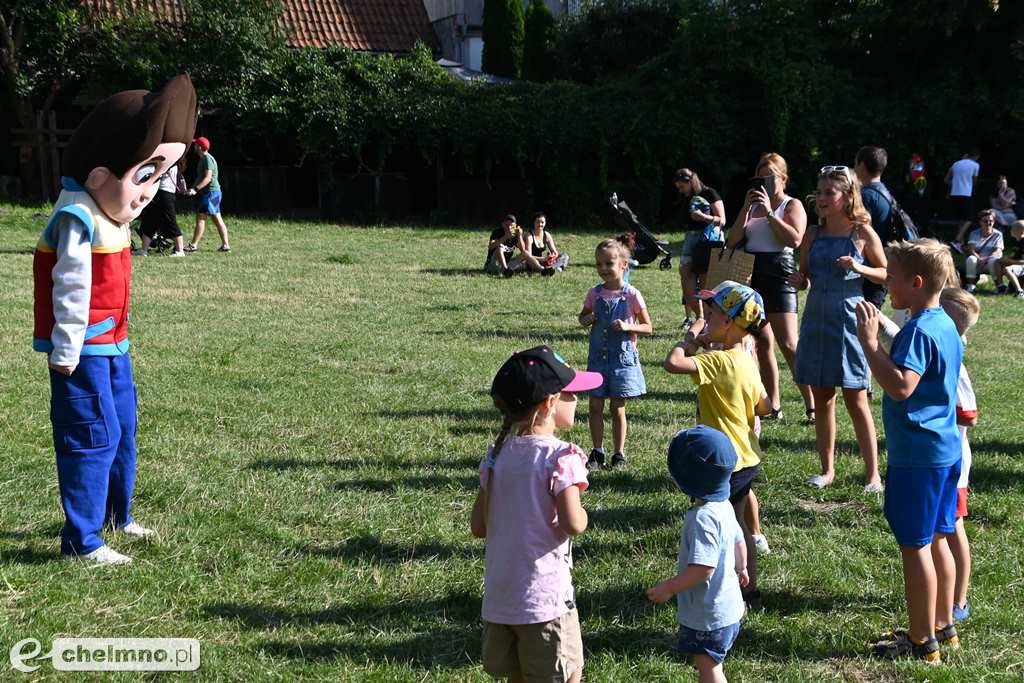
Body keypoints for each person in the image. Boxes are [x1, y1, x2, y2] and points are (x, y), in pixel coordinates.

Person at [32, 74, 197, 564]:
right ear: (100, 175)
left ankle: (115, 516)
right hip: (82, 351)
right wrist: (65, 348)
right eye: (143, 175)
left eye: (159, 175)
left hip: (114, 345)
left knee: (122, 429)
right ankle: (81, 541)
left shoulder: (111, 216)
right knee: (89, 436)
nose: (149, 192)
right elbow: (71, 288)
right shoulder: (77, 218)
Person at [856, 239, 963, 663]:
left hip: (917, 458)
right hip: (944, 451)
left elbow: (901, 387)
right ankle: (943, 626)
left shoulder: (918, 331)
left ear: (915, 283)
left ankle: (922, 642)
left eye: (892, 277)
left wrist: (869, 345)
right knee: (938, 538)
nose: (886, 281)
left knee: (916, 544)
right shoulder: (942, 322)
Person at [470, 345, 602, 683]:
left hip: (501, 600)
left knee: (518, 675)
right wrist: (583, 516)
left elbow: (479, 526)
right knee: (570, 672)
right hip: (545, 600)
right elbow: (573, 523)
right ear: (549, 403)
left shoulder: (496, 456)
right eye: (571, 394)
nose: (578, 400)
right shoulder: (561, 458)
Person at [663, 281, 772, 609]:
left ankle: (713, 577)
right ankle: (748, 584)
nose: (706, 319)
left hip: (720, 461)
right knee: (738, 523)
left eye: (711, 314)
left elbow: (673, 364)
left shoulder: (720, 361)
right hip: (745, 457)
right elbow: (764, 407)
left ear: (729, 321)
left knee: (717, 522)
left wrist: (689, 342)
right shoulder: (745, 361)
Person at [791, 166, 886, 492]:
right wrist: (798, 280)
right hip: (817, 318)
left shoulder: (862, 233)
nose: (821, 198)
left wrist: (859, 266)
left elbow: (886, 273)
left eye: (829, 192)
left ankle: (873, 475)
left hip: (849, 319)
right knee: (823, 398)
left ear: (848, 197)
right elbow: (803, 275)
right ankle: (827, 470)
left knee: (856, 397)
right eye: (819, 192)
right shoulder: (813, 235)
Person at [646, 426, 748, 683]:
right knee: (714, 665)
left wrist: (670, 587)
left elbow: (703, 569)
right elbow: (739, 541)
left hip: (708, 616)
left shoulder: (702, 518)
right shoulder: (724, 505)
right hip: (730, 609)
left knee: (710, 670)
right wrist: (742, 568)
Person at [726, 152, 813, 422]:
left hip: (780, 274)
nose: (763, 182)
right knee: (762, 342)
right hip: (752, 275)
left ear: (783, 179)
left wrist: (769, 213)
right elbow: (732, 241)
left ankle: (812, 405)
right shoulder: (751, 206)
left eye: (769, 176)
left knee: (789, 343)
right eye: (759, 176)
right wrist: (745, 208)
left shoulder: (791, 204)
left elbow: (795, 239)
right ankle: (773, 404)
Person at [579, 239, 653, 470]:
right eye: (598, 264)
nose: (602, 269)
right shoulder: (595, 293)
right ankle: (598, 451)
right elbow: (582, 317)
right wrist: (586, 320)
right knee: (595, 406)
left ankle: (619, 454)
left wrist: (629, 327)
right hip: (598, 359)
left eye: (608, 263)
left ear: (623, 265)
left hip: (621, 360)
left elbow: (648, 327)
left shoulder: (631, 294)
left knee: (617, 408)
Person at [937, 287, 980, 624]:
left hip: (953, 460)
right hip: (939, 457)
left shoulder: (957, 367)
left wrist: (936, 407)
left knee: (954, 528)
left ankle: (959, 600)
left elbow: (970, 414)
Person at [674, 168, 727, 325]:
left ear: (690, 181)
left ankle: (707, 320)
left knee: (705, 281)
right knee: (685, 273)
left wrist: (704, 217)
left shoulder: (710, 193)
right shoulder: (688, 197)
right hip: (691, 238)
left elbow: (722, 220)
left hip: (708, 238)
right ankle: (701, 317)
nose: (680, 190)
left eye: (682, 186)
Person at [855, 146, 895, 308]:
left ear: (862, 165)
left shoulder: (866, 196)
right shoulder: (885, 192)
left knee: (867, 316)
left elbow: (860, 231)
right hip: (885, 259)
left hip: (871, 266)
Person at [184, 136, 231, 252]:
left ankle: (193, 245)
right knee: (216, 218)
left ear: (200, 147)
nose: (194, 147)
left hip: (211, 193)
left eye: (195, 145)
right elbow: (200, 177)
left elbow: (207, 178)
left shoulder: (207, 159)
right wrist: (191, 188)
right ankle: (226, 245)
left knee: (201, 218)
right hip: (213, 193)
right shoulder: (203, 159)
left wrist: (195, 189)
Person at [133, 161, 187, 257]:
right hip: (158, 193)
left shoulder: (171, 162)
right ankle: (143, 250)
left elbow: (157, 173)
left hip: (165, 193)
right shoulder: (171, 162)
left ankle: (180, 250)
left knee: (170, 221)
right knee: (150, 221)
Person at [963, 209, 1003, 293]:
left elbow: (997, 251)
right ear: (980, 222)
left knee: (993, 260)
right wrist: (980, 259)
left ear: (994, 222)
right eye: (985, 221)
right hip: (978, 261)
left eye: (991, 221)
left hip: (990, 261)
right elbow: (971, 250)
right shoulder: (974, 234)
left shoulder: (998, 234)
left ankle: (999, 286)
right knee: (971, 259)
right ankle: (971, 287)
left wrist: (986, 260)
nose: (988, 223)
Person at [946, 149, 980, 244]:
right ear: (976, 156)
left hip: (954, 194)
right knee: (969, 219)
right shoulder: (975, 165)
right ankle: (956, 240)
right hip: (966, 194)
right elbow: (974, 182)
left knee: (960, 219)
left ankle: (960, 242)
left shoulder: (956, 164)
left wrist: (955, 184)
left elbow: (946, 180)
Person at [994, 219, 1024, 297]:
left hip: (1022, 267)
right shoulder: (1016, 241)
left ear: (1019, 231)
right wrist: (1007, 258)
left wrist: (1010, 261)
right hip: (1017, 265)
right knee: (998, 261)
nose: (1010, 230)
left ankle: (1020, 291)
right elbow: (1016, 255)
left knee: (1007, 269)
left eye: (1013, 228)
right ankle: (1001, 287)